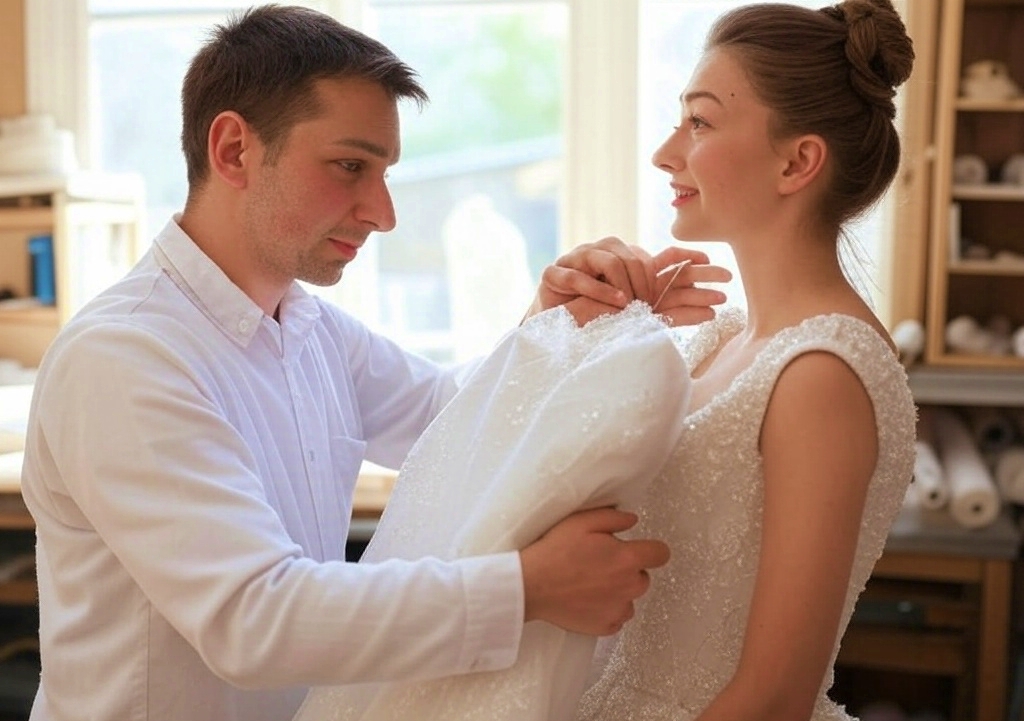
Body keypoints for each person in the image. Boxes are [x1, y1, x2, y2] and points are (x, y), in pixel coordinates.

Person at [18, 6, 731, 721]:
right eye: (349, 166)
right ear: (234, 149)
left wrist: (553, 322)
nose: (383, 212)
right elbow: (252, 619)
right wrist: (526, 590)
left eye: (383, 172)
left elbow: (452, 417)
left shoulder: (310, 327)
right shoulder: (125, 357)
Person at [576, 2, 919, 720]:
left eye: (699, 122)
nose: (667, 152)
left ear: (797, 161)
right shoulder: (722, 339)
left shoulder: (822, 373)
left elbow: (774, 695)